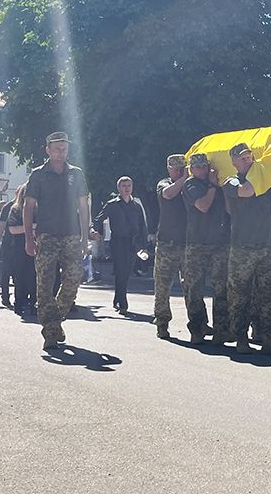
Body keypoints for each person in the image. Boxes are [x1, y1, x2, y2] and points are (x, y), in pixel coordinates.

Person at [23, 132, 90, 350]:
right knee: (44, 285)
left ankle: (53, 322)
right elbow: (28, 206)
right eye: (57, 148)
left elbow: (83, 206)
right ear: (48, 150)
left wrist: (84, 237)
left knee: (73, 279)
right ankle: (51, 334)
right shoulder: (39, 174)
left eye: (64, 148)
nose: (61, 152)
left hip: (71, 234)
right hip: (47, 235)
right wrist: (28, 239)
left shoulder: (76, 174)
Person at [223, 143, 271, 355]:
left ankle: (268, 336)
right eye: (242, 159)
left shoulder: (266, 183)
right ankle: (241, 338)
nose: (247, 161)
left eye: (249, 157)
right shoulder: (231, 182)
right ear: (233, 162)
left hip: (266, 246)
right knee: (240, 295)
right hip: (242, 247)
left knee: (269, 294)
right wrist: (266, 178)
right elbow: (246, 191)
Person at [181, 153, 231, 344]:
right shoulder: (190, 185)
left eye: (204, 166)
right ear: (191, 169)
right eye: (198, 167)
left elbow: (229, 210)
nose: (202, 170)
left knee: (221, 288)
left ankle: (221, 330)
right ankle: (197, 329)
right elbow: (202, 206)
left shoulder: (216, 186)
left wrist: (221, 187)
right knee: (195, 288)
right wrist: (211, 186)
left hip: (219, 243)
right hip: (197, 244)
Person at [93, 177, 148, 315]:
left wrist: (144, 245)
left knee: (127, 272)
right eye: (123, 186)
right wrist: (95, 232)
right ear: (119, 188)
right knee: (120, 270)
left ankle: (118, 297)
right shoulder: (112, 204)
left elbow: (142, 226)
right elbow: (99, 219)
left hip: (133, 242)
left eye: (129, 185)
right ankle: (123, 302)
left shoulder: (136, 205)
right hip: (118, 241)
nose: (127, 188)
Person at [152, 154, 188, 340]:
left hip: (186, 243)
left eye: (182, 168)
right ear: (169, 169)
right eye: (175, 168)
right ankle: (162, 322)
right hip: (167, 243)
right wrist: (183, 179)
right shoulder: (164, 183)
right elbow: (168, 194)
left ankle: (198, 324)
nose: (179, 171)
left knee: (190, 286)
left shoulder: (190, 184)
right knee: (163, 286)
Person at [0, 184, 35, 314]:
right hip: (18, 247)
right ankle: (18, 302)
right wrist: (32, 227)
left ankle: (33, 303)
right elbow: (12, 229)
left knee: (33, 276)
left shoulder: (38, 209)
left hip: (36, 247)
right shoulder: (14, 209)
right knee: (19, 276)